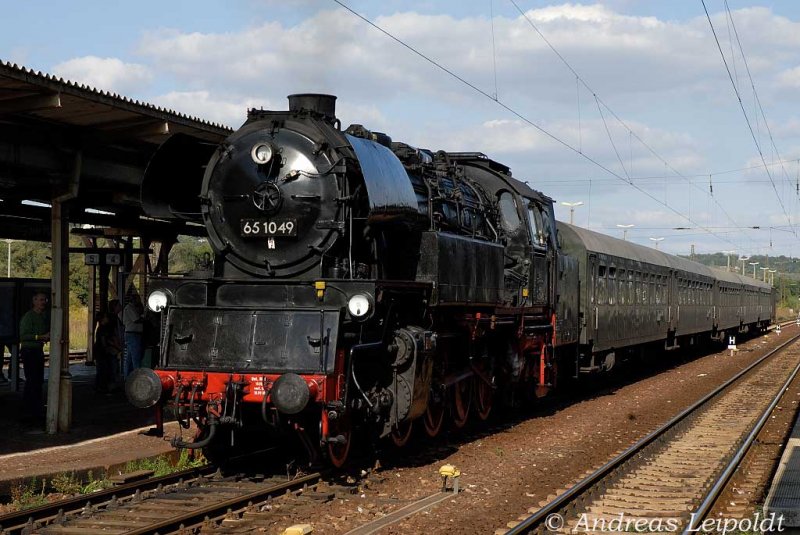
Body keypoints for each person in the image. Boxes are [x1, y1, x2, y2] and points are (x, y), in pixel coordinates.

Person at [19, 292, 49, 422]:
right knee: (32, 380)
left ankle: (36, 408)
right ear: (34, 301)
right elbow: (23, 336)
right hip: (29, 351)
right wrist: (40, 337)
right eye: (41, 300)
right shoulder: (28, 317)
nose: (43, 302)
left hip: (38, 350)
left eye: (45, 300)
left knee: (38, 380)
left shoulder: (42, 316)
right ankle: (28, 409)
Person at [94, 300, 123, 394]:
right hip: (105, 351)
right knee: (107, 369)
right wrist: (116, 346)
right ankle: (106, 387)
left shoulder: (102, 328)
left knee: (104, 370)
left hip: (103, 351)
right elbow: (107, 339)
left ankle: (103, 387)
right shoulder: (106, 326)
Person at [123, 296, 144, 377]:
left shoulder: (133, 308)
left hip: (134, 334)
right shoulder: (129, 308)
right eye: (138, 300)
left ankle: (128, 377)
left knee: (130, 357)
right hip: (133, 334)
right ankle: (136, 376)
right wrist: (145, 319)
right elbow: (136, 319)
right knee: (136, 357)